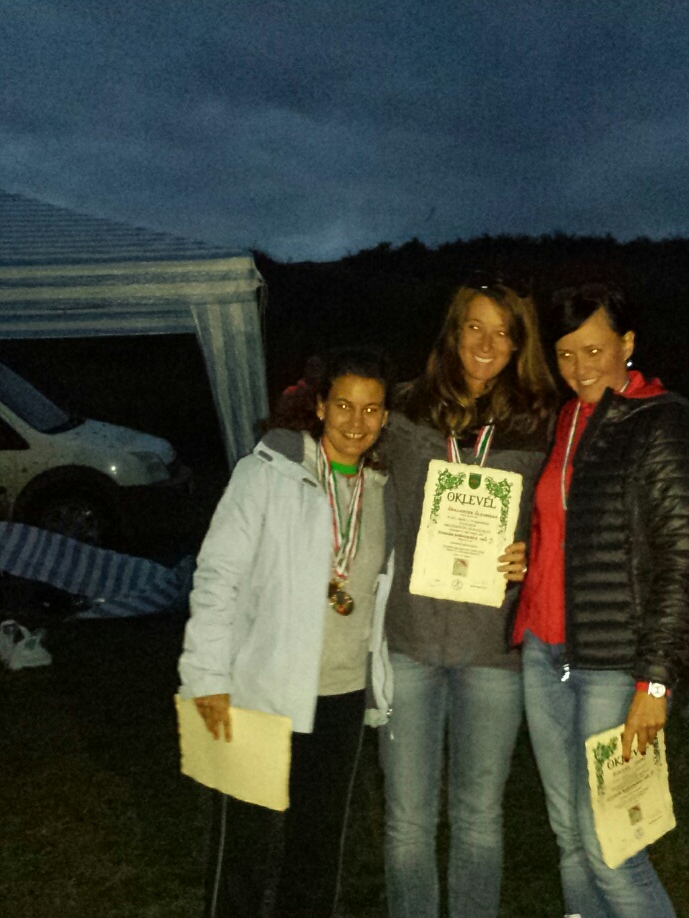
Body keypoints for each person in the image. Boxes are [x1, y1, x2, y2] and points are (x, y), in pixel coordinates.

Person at [513, 282, 689, 918]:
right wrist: (530, 557)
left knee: (611, 846)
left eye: (594, 350)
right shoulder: (568, 419)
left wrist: (655, 682)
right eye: (565, 354)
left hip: (615, 662)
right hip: (544, 651)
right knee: (569, 837)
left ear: (627, 343)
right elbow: (574, 531)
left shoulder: (662, 422)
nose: (580, 368)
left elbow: (683, 560)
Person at [178, 348, 395, 918]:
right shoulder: (268, 474)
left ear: (385, 417)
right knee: (244, 852)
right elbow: (217, 576)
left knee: (317, 851)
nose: (356, 421)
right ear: (319, 406)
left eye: (371, 409)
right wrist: (207, 676)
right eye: (344, 405)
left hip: (341, 696)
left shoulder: (383, 490)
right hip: (262, 689)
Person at [378, 276, 556, 918]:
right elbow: (341, 462)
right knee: (407, 821)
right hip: (408, 642)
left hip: (492, 651)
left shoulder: (538, 424)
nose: (486, 344)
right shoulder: (401, 412)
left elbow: (556, 522)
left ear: (519, 345)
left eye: (503, 333)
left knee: (479, 816)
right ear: (453, 333)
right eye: (474, 327)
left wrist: (532, 554)